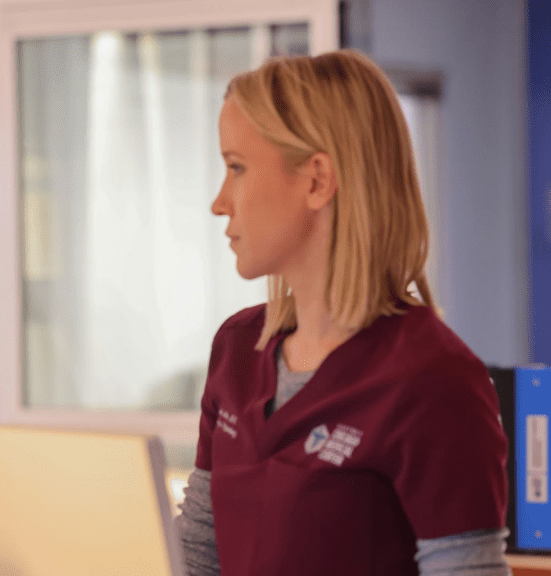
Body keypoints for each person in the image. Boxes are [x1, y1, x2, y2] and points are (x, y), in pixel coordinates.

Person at [175, 50, 509, 575]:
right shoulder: (237, 349)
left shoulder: (436, 379)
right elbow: (197, 556)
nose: (220, 201)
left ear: (316, 180)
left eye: (237, 167)